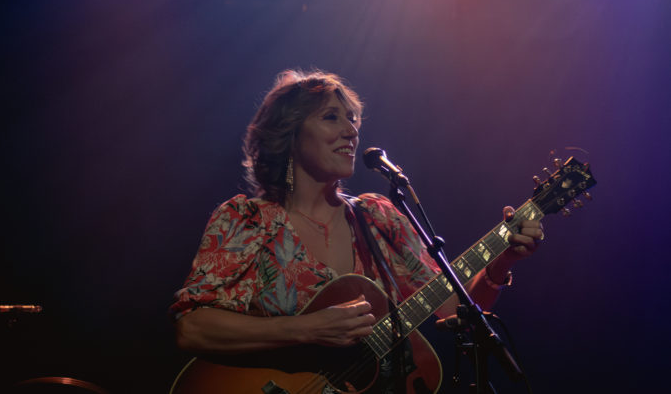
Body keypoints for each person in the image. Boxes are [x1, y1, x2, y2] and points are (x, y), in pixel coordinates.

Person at [169, 69, 544, 392]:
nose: (350, 131)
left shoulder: (377, 218)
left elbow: (458, 310)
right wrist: (307, 329)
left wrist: (501, 262)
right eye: (331, 117)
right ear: (290, 134)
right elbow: (193, 328)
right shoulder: (247, 220)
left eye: (353, 120)